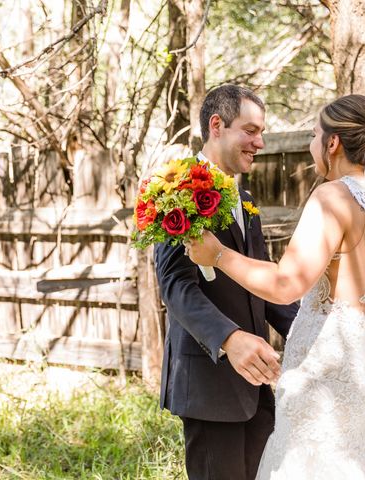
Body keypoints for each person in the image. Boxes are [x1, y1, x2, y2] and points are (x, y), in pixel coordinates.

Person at [188, 94, 365, 479]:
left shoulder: (332, 197)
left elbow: (287, 284)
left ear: (332, 143)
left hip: (327, 376)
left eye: (315, 134)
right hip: (363, 367)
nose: (311, 144)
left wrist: (217, 254)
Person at [155, 84, 299, 480]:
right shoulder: (177, 190)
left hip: (256, 385)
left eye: (261, 131)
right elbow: (175, 284)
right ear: (216, 125)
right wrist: (229, 339)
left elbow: (259, 279)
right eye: (250, 130)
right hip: (209, 384)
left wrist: (309, 332)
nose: (260, 141)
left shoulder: (243, 195)